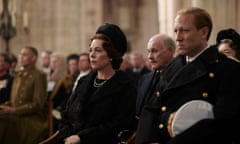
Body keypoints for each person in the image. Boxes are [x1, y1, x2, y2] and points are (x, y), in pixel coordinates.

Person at [135, 7, 240, 144]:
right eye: (176, 31)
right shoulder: (173, 65)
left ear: (203, 32)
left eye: (184, 30)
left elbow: (223, 121)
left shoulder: (227, 68)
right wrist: (147, 140)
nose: (178, 38)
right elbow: (152, 108)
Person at [58, 23, 136, 144]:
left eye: (98, 51)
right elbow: (66, 115)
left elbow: (119, 124)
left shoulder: (125, 85)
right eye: (90, 50)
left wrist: (81, 138)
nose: (92, 55)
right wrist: (67, 137)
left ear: (111, 55)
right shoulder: (84, 81)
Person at [0, 46, 48, 144]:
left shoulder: (39, 76)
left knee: (3, 122)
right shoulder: (18, 75)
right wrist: (3, 107)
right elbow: (13, 101)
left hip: (30, 118)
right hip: (15, 115)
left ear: (33, 58)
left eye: (24, 55)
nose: (21, 57)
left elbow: (38, 104)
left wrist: (15, 110)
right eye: (20, 54)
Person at [136, 34, 176, 118]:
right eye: (148, 51)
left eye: (154, 51)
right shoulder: (144, 79)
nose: (149, 56)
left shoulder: (179, 77)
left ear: (170, 50)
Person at [50, 53, 79, 132]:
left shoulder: (80, 78)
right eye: (70, 64)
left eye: (74, 64)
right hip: (59, 108)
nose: (72, 67)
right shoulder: (64, 79)